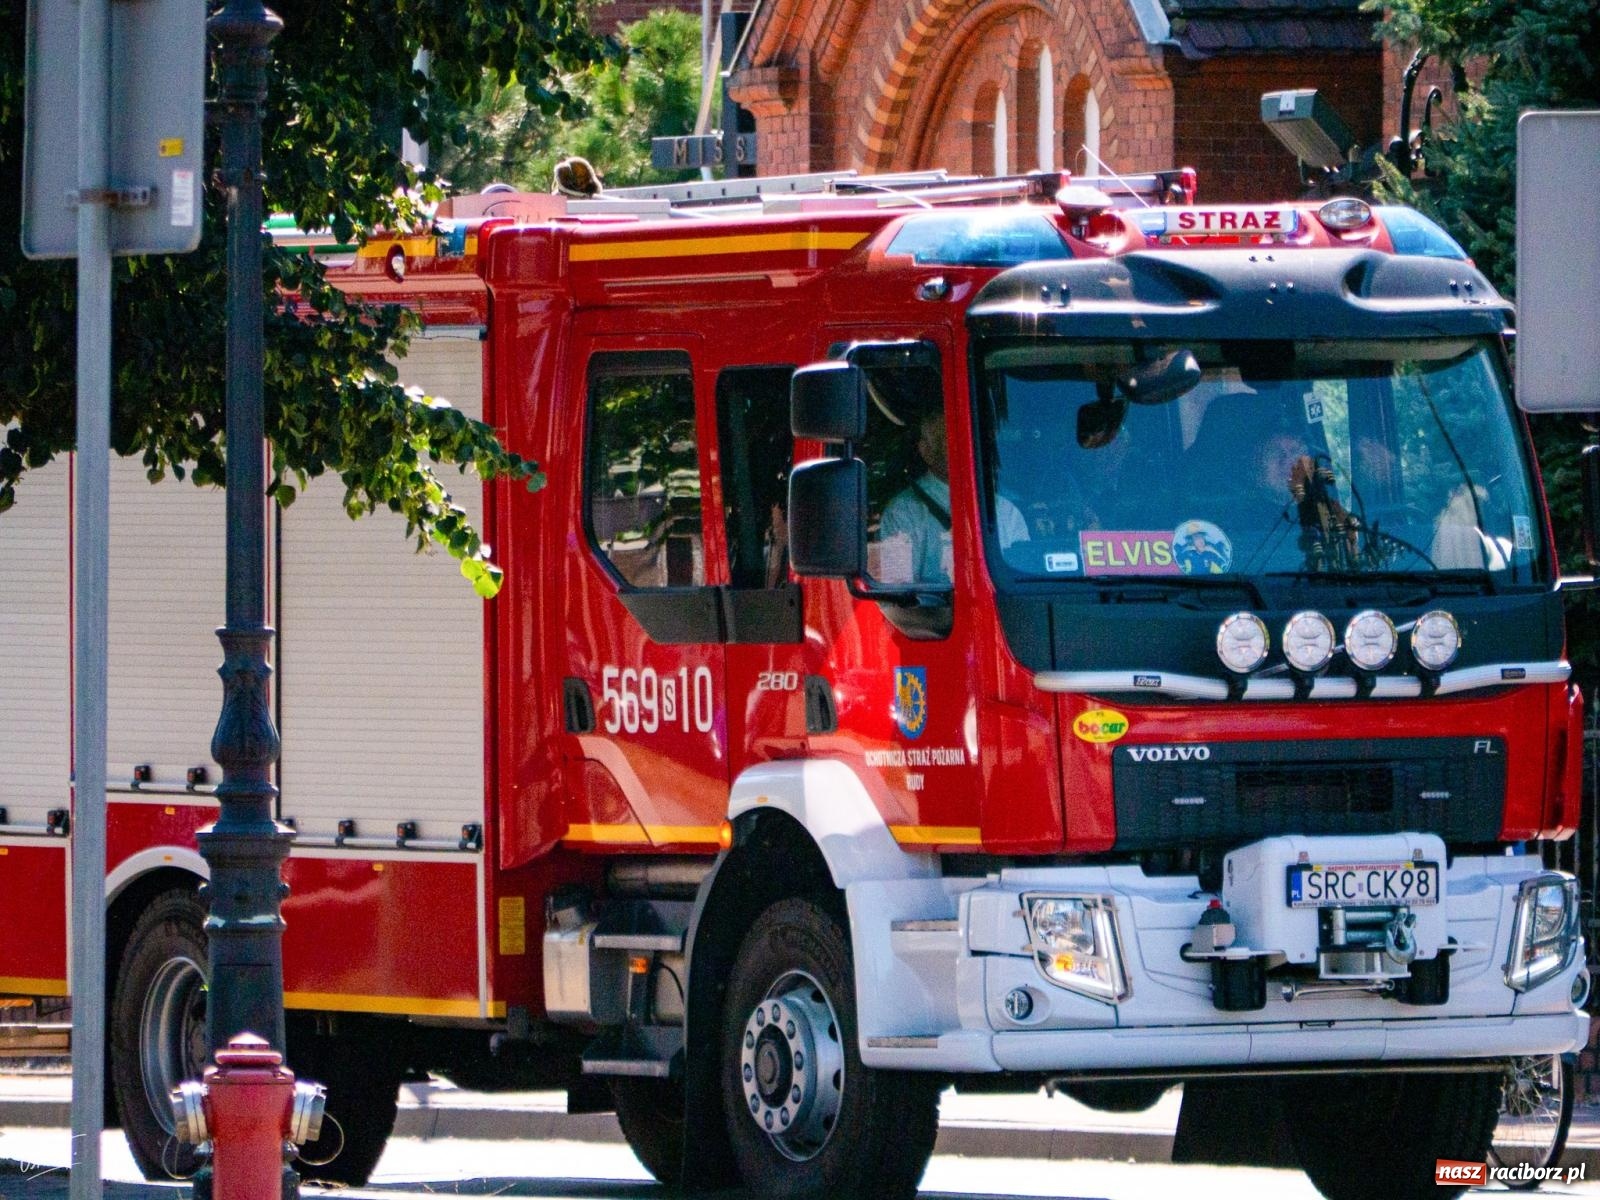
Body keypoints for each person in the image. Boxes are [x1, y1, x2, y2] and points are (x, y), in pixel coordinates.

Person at [876, 411, 1027, 585]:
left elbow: (1022, 580)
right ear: (927, 452)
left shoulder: (1006, 511)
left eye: (973, 440)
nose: (969, 448)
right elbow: (896, 589)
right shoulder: (903, 513)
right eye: (956, 440)